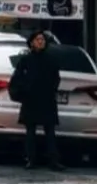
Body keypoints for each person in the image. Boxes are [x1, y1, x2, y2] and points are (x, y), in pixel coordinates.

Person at [8, 30, 65, 171]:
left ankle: (53, 161)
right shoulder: (25, 60)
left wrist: (51, 90)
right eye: (38, 39)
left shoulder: (51, 60)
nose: (41, 42)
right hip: (31, 100)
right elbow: (17, 79)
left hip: (47, 100)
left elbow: (56, 78)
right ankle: (31, 160)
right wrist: (23, 92)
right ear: (32, 43)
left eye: (43, 40)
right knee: (30, 132)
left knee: (50, 132)